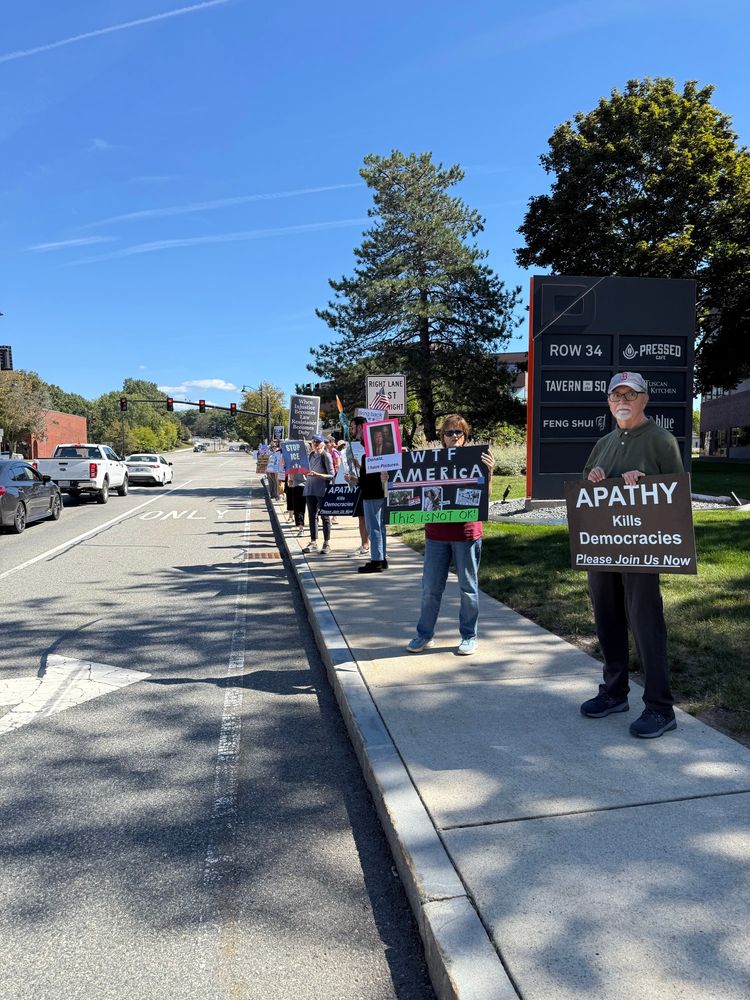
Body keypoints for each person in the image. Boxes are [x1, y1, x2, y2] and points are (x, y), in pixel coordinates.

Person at [579, 372, 685, 739]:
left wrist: (648, 485)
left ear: (644, 398)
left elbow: (676, 495)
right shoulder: (604, 442)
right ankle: (614, 691)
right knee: (606, 617)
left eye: (630, 393)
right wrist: (593, 478)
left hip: (644, 547)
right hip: (603, 546)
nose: (621, 399)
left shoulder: (661, 440)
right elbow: (586, 493)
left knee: (645, 621)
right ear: (609, 402)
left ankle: (659, 707)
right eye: (615, 394)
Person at [405, 415, 494, 655]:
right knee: (431, 588)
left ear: (465, 437)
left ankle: (469, 635)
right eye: (449, 433)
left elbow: (484, 496)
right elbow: (409, 487)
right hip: (436, 533)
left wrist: (490, 473)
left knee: (468, 587)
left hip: (466, 532)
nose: (454, 436)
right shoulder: (428, 462)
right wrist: (390, 479)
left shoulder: (477, 459)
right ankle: (424, 635)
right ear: (442, 437)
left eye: (459, 433)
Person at [302, 434, 334, 554]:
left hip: (322, 490)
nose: (316, 445)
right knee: (312, 516)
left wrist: (318, 475)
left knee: (325, 516)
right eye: (314, 442)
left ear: (323, 444)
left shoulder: (326, 456)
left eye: (318, 442)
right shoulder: (311, 455)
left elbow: (332, 475)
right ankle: (313, 541)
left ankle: (326, 543)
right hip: (310, 489)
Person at [343, 417, 370, 558]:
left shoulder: (370, 445)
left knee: (371, 520)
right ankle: (365, 544)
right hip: (364, 488)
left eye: (352, 427)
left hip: (372, 491)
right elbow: (369, 471)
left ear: (360, 427)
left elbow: (372, 476)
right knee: (362, 517)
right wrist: (358, 467)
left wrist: (354, 478)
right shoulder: (362, 446)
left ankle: (372, 548)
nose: (351, 430)